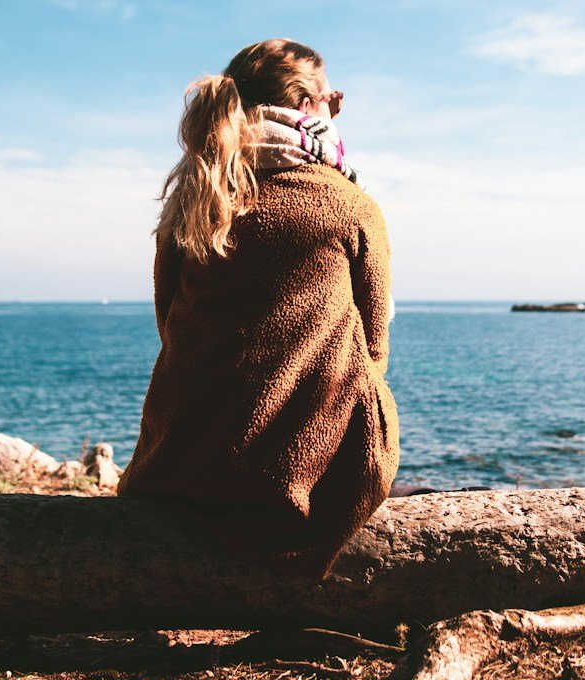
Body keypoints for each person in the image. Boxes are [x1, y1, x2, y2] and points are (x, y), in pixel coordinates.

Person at [116, 38, 398, 582]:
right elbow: (375, 343)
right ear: (311, 107)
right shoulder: (349, 204)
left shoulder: (197, 198)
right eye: (331, 99)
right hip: (303, 479)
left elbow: (168, 320)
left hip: (182, 459)